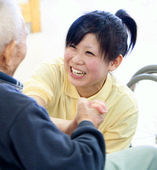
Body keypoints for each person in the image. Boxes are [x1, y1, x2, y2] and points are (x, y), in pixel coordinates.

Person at [0, 0, 106, 169]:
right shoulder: (13, 107)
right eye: (24, 37)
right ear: (9, 52)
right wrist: (87, 123)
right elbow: (83, 164)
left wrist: (69, 127)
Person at [23, 9, 138, 153]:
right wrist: (75, 126)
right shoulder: (52, 71)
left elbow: (107, 163)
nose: (76, 60)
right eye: (72, 46)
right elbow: (26, 116)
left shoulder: (125, 108)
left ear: (114, 62)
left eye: (89, 53)